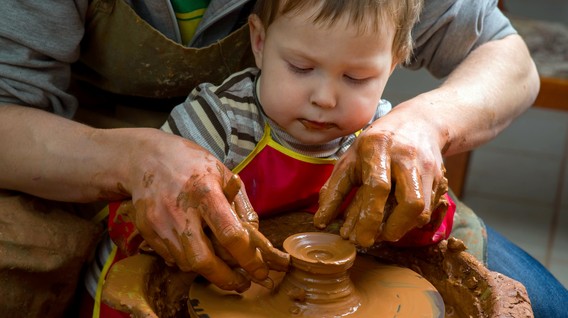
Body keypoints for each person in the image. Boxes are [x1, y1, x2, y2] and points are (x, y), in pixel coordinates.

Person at [0, 0, 564, 317]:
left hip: (341, 263)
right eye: (302, 69)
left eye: (356, 77)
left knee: (542, 305)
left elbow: (506, 56)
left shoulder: (366, 121)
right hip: (85, 162)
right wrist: (129, 163)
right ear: (261, 41)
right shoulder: (215, 119)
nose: (324, 97)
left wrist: (423, 124)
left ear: (393, 64)